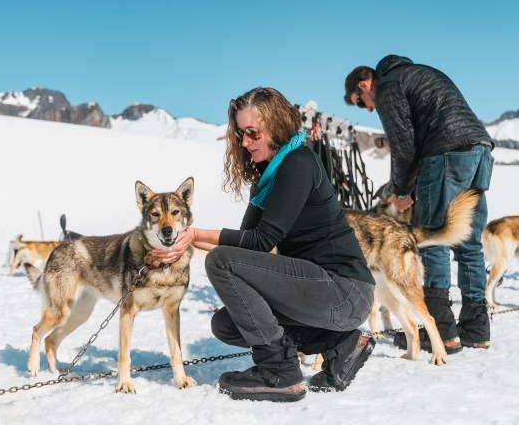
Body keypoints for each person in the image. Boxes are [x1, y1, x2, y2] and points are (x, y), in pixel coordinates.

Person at [152, 87, 376, 402]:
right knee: (228, 324)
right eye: (241, 134)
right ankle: (342, 344)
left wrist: (198, 234)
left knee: (220, 261)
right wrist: (180, 246)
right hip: (321, 293)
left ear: (275, 126)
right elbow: (246, 249)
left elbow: (261, 240)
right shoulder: (267, 177)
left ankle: (279, 372)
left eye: (252, 133)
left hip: (345, 292)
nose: (244, 142)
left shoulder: (298, 162)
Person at [344, 55, 494, 353]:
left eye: (361, 102)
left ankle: (442, 331)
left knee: (433, 236)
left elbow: (404, 147)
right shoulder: (417, 73)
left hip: (446, 152)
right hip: (480, 150)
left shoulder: (388, 87)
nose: (369, 108)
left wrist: (400, 192)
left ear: (365, 85)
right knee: (468, 241)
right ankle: (476, 328)